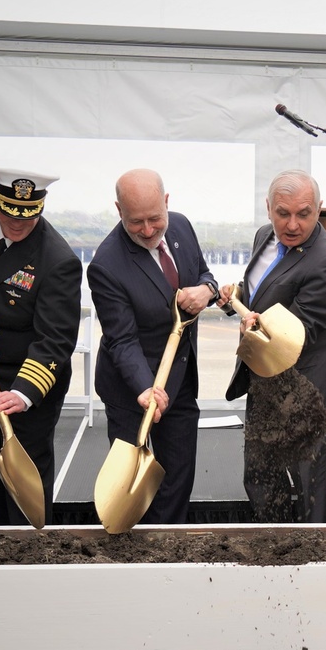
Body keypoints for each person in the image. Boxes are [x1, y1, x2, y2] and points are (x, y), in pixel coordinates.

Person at [0, 164, 82, 525]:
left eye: (28, 215)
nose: (18, 223)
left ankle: (30, 557)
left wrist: (21, 394)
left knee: (26, 487)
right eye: (9, 212)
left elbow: (56, 341)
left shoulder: (58, 260)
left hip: (29, 386)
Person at [218, 169, 326, 523]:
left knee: (311, 484)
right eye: (283, 213)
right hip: (264, 378)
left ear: (319, 210)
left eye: (304, 214)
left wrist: (253, 323)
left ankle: (315, 554)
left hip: (307, 385)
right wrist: (237, 299)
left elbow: (296, 333)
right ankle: (273, 545)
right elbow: (264, 292)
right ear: (268, 209)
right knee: (260, 477)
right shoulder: (265, 235)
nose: (292, 224)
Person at [87, 168, 218, 524]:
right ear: (118, 210)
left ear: (166, 202)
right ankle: (135, 558)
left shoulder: (182, 226)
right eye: (136, 222)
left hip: (180, 379)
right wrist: (145, 388)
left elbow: (206, 275)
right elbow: (122, 339)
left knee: (178, 477)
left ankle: (169, 552)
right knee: (136, 485)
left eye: (154, 218)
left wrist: (208, 290)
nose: (147, 230)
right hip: (132, 389)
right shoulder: (106, 265)